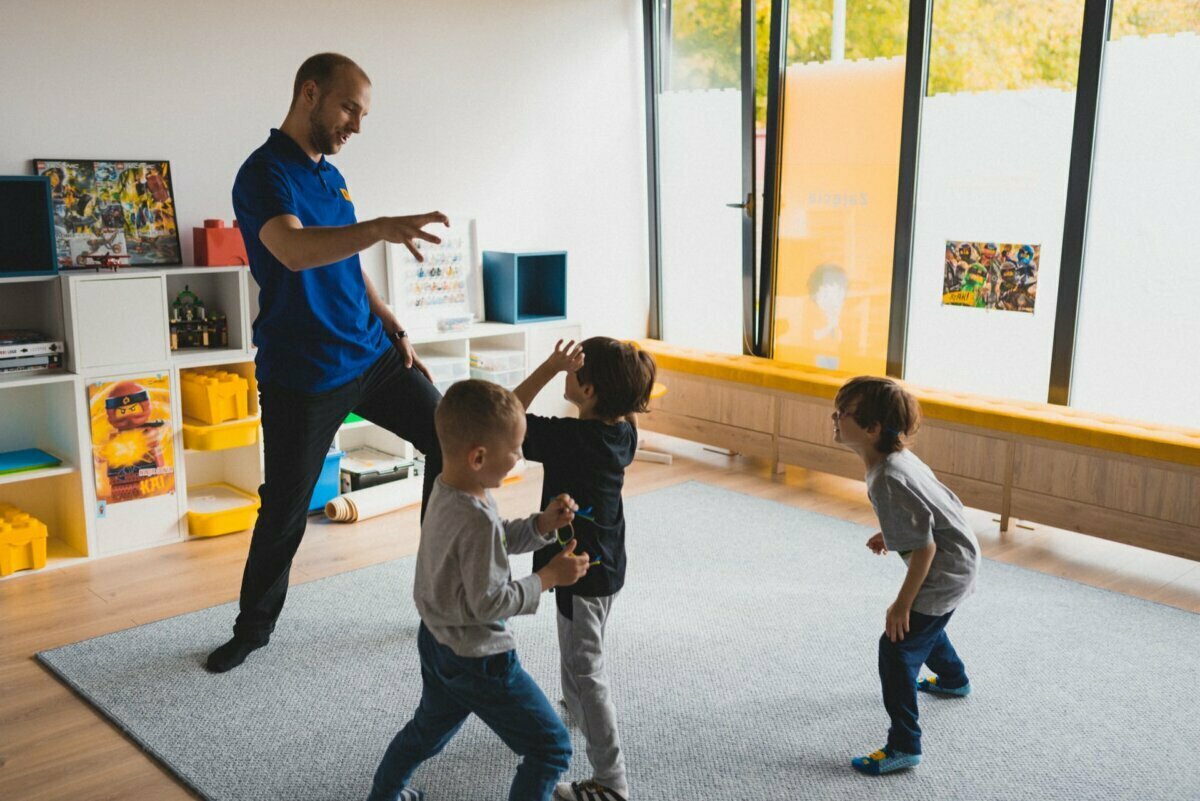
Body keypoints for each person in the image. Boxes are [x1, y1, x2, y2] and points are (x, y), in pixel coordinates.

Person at [206, 52, 448, 673]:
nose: (356, 127)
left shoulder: (331, 177)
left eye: (363, 115)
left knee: (450, 433)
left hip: (370, 351)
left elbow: (344, 261)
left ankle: (438, 595)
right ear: (309, 93)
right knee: (286, 505)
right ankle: (253, 628)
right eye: (349, 109)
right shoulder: (263, 175)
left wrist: (389, 317)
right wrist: (379, 226)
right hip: (304, 371)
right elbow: (290, 249)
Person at [367, 379, 590, 801]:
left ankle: (384, 796)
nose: (521, 457)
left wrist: (542, 525)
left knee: (426, 731)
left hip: (437, 640)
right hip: (480, 658)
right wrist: (549, 578)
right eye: (516, 449)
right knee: (551, 747)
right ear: (479, 456)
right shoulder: (477, 518)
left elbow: (494, 541)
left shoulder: (448, 489)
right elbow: (489, 602)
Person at [513, 337, 656, 801]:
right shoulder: (623, 433)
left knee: (586, 664)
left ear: (589, 390)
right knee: (575, 644)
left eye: (576, 370)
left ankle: (611, 781)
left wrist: (549, 367)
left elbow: (505, 417)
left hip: (581, 569)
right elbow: (623, 401)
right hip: (608, 563)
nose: (568, 373)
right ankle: (574, 708)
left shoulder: (568, 439)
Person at [831, 376, 980, 775]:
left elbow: (926, 548)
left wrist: (901, 604)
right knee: (926, 628)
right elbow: (933, 510)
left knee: (897, 646)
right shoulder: (898, 461)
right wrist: (895, 533)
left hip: (944, 570)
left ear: (872, 429)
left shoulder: (887, 478)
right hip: (961, 559)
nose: (834, 417)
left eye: (843, 413)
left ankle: (904, 744)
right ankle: (953, 679)